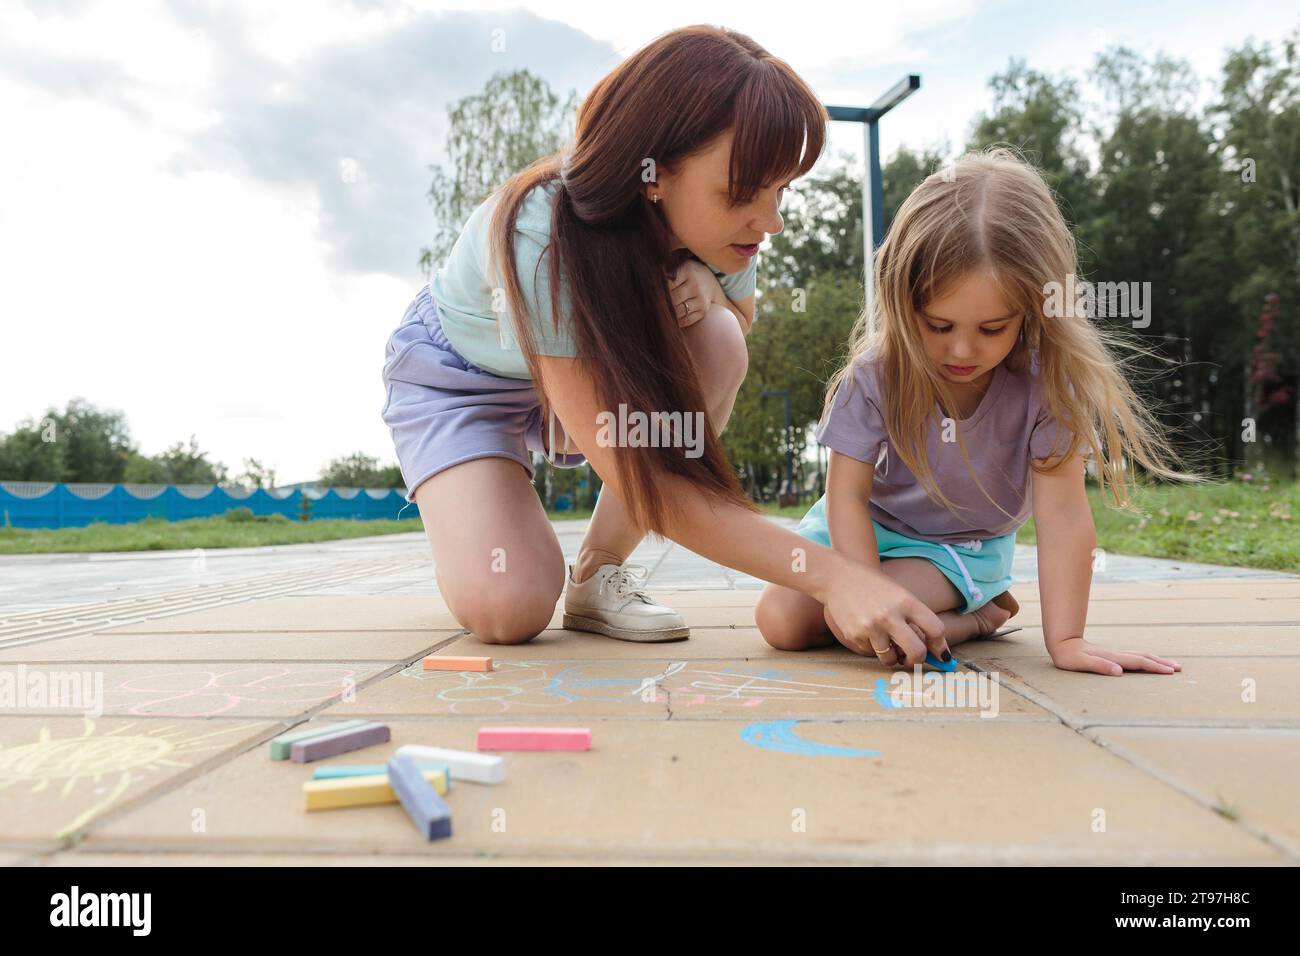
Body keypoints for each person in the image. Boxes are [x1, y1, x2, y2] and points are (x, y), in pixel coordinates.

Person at [382, 25, 949, 662]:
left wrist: (709, 289)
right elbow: (647, 475)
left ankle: (598, 571)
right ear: (653, 173)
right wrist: (837, 576)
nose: (770, 221)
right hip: (463, 381)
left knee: (720, 336)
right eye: (742, 193)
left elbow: (739, 320)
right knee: (507, 608)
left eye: (781, 190)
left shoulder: (727, 233)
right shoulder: (543, 234)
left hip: (583, 380)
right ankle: (468, 522)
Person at [756, 147, 1197, 676]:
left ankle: (979, 616)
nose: (962, 351)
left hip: (959, 547)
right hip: (860, 526)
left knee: (881, 634)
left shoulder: (1047, 387)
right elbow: (845, 497)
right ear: (902, 299)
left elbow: (1062, 516)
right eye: (938, 326)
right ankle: (967, 616)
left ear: (1035, 311)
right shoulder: (875, 375)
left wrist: (1068, 639)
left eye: (992, 329)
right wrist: (862, 586)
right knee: (780, 622)